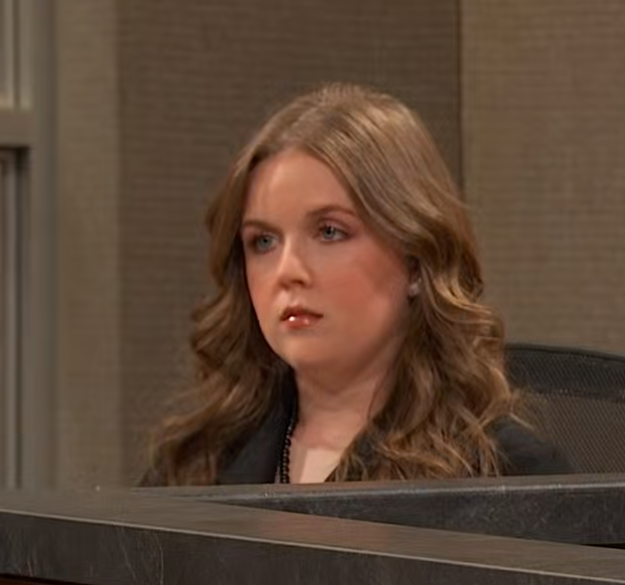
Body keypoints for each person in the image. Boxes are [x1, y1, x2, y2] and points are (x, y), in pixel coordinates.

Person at [145, 84, 569, 485]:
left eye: (329, 232)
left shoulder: (506, 475)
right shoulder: (195, 466)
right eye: (264, 241)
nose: (288, 271)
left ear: (416, 260)